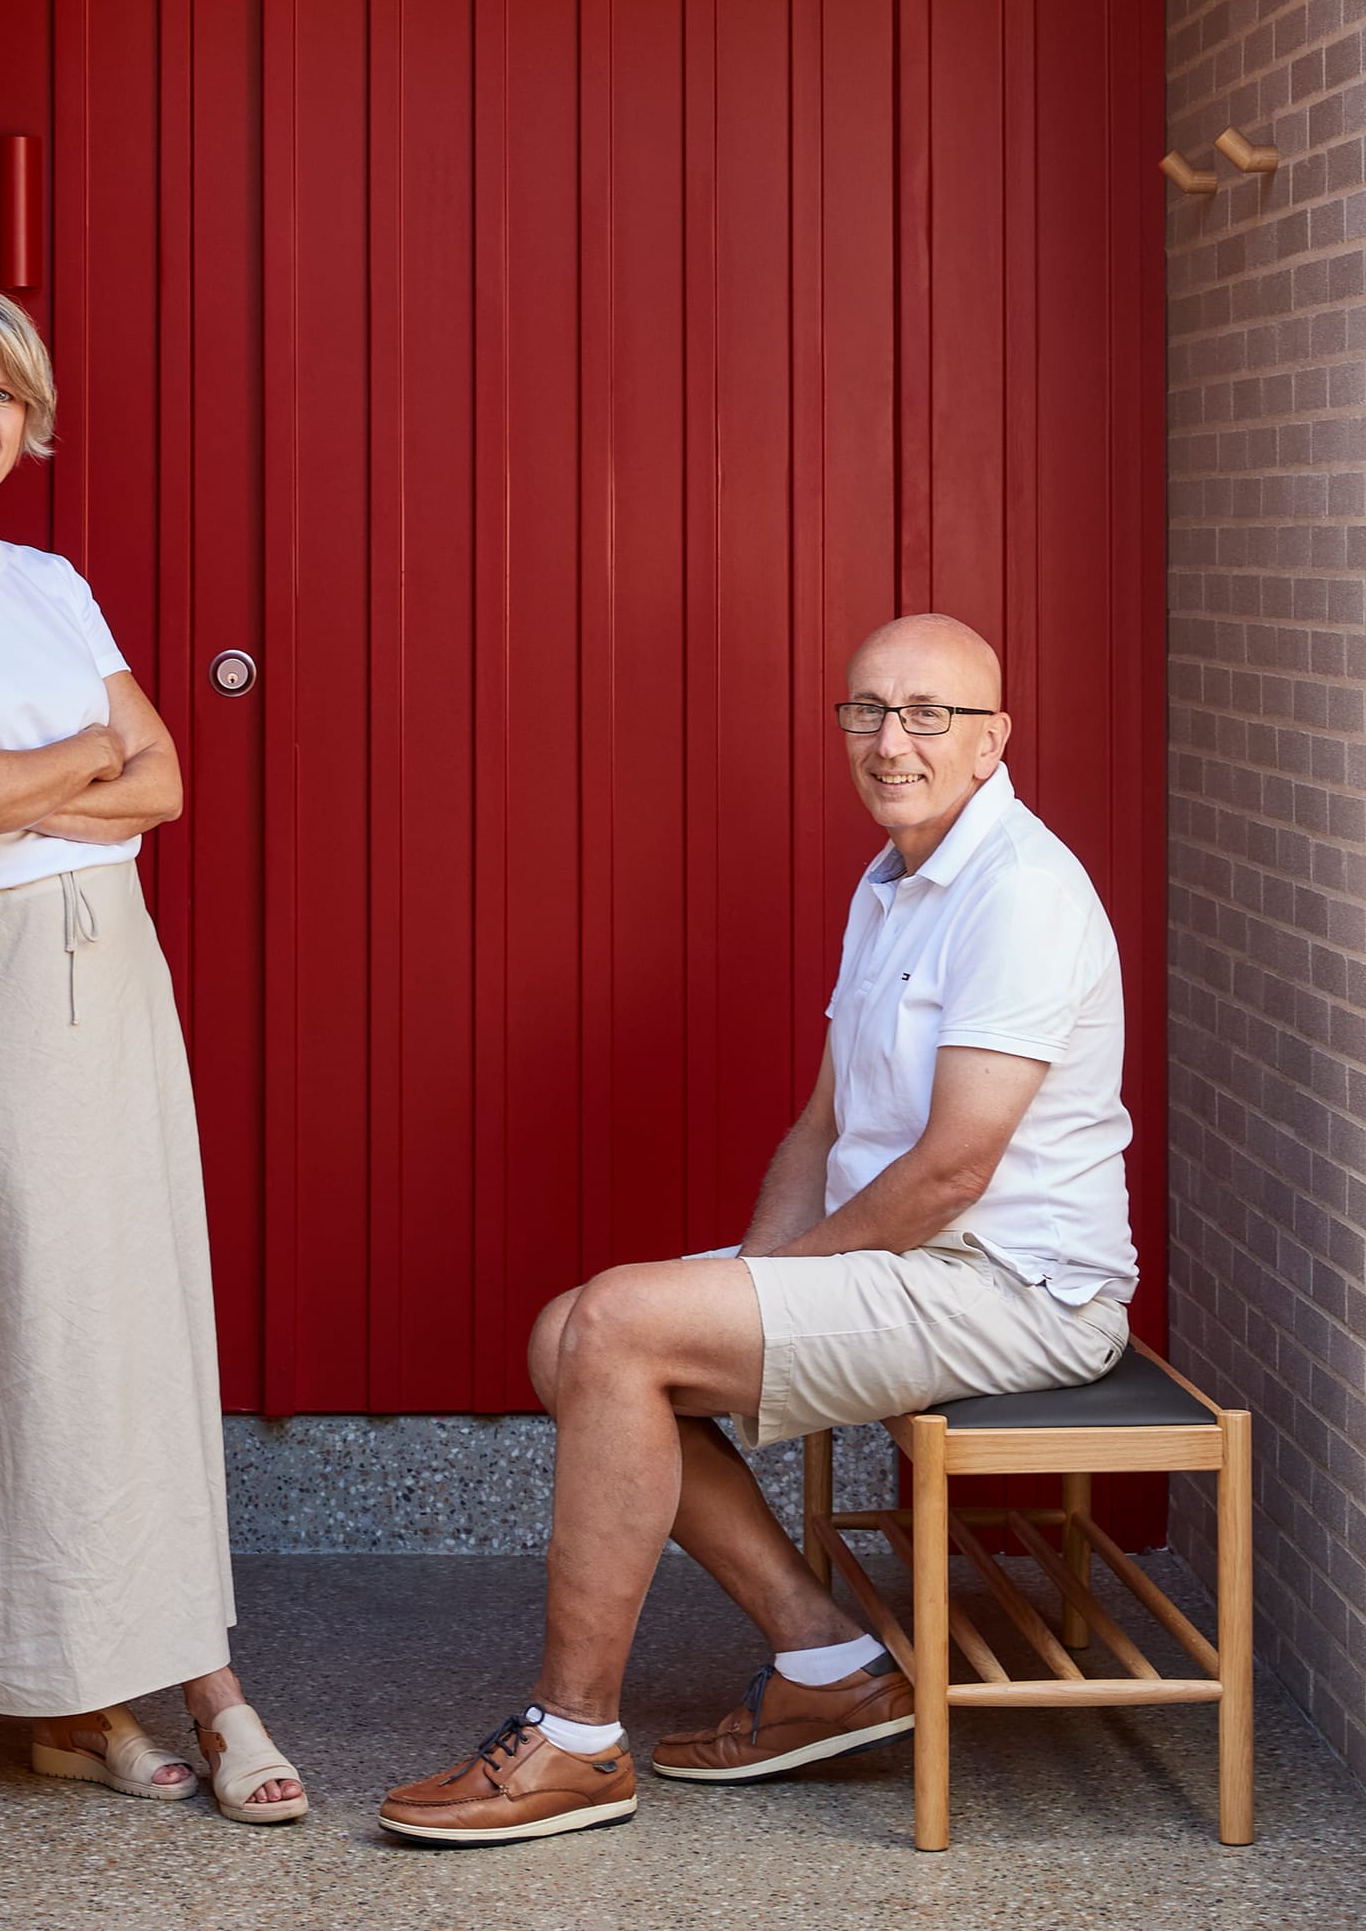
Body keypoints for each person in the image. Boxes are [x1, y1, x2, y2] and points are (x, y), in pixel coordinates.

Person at [381, 612, 1134, 1846]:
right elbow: (822, 1121)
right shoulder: (892, 879)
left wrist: (771, 1284)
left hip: (1011, 1288)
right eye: (866, 711)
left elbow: (949, 1173)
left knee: (616, 1326)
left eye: (927, 716)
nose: (890, 742)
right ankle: (825, 1666)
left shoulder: (1025, 897)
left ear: (993, 740)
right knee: (567, 1333)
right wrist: (752, 1276)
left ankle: (571, 1741)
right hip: (909, 1262)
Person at [0, 283, 306, 1827]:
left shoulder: (49, 579)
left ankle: (181, 1673)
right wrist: (76, 763)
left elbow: (160, 783)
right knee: (40, 1320)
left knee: (146, 1307)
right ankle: (96, 1695)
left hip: (113, 953)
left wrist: (40, 775)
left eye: (5, 398)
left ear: (32, 425)